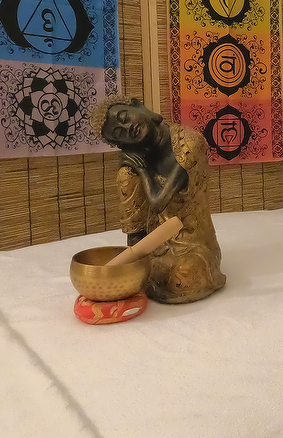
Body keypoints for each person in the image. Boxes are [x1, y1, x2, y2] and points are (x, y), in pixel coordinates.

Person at [90, 96, 226, 304]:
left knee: (183, 275)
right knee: (126, 176)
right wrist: (133, 259)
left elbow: (158, 202)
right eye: (119, 134)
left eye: (124, 118)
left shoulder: (189, 143)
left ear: (137, 105)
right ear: (122, 145)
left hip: (192, 242)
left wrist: (144, 171)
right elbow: (135, 234)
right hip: (154, 245)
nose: (127, 128)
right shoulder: (132, 169)